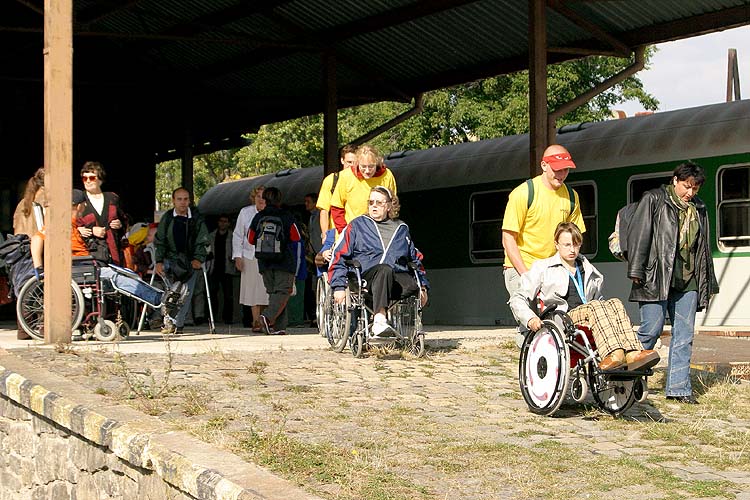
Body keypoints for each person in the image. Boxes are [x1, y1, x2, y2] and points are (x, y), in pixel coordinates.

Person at [627, 162, 719, 404]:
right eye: (687, 187)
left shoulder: (699, 208)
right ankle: (628, 379)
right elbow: (639, 235)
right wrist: (636, 270)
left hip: (688, 279)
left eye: (695, 189)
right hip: (656, 276)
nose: (690, 193)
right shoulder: (655, 199)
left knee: (684, 334)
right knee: (651, 331)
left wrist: (708, 282)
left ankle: (679, 388)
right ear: (675, 180)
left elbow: (703, 249)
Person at [510, 222, 659, 371]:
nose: (572, 250)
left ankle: (633, 353)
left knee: (615, 303)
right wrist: (530, 318)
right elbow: (518, 298)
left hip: (589, 315)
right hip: (562, 318)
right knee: (594, 306)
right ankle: (614, 353)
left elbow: (600, 302)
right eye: (567, 245)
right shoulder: (542, 268)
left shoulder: (589, 270)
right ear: (556, 244)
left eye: (576, 245)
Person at [30, 190, 179, 315]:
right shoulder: (60, 224)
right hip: (80, 268)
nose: (86, 206)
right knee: (116, 278)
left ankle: (161, 297)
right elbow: (37, 238)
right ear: (79, 205)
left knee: (127, 273)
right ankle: (159, 299)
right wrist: (38, 268)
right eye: (84, 204)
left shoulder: (73, 224)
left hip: (86, 265)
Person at [329, 186, 428, 338]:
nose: (374, 206)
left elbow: (415, 258)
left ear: (389, 205)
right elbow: (339, 255)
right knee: (384, 270)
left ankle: (410, 331)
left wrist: (424, 287)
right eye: (371, 202)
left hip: (393, 278)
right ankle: (379, 320)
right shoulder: (357, 225)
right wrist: (338, 286)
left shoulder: (401, 228)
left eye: (379, 203)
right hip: (363, 277)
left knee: (412, 285)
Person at [502, 145, 586, 298]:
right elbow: (508, 238)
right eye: (557, 170)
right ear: (544, 165)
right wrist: (526, 275)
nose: (561, 174)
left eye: (565, 170)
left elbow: (574, 237)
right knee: (530, 319)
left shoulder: (572, 196)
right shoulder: (523, 193)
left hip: (552, 270)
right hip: (522, 266)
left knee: (556, 319)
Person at [154, 187, 209, 334]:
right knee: (169, 291)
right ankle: (166, 321)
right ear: (173, 201)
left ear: (190, 201)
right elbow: (160, 241)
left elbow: (203, 240)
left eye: (185, 199)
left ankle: (177, 324)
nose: (182, 203)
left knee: (186, 292)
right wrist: (158, 261)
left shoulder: (197, 219)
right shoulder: (167, 218)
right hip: (170, 259)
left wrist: (198, 258)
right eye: (179, 199)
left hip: (190, 261)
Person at [247, 187, 301, 336]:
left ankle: (278, 327)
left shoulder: (258, 217)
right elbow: (296, 236)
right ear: (280, 199)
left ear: (264, 199)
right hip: (284, 262)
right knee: (283, 292)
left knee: (274, 293)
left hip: (264, 263)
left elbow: (250, 239)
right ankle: (266, 317)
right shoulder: (286, 216)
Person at [329, 144, 398, 233]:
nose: (367, 171)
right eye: (363, 166)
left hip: (379, 231)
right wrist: (344, 232)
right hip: (352, 232)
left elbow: (393, 204)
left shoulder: (387, 176)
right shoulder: (346, 176)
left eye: (371, 166)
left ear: (377, 163)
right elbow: (336, 207)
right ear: (357, 163)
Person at [232, 185, 269, 331]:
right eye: (258, 196)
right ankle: (256, 321)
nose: (261, 199)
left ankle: (265, 319)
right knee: (253, 291)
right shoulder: (245, 213)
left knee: (266, 290)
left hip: (268, 256)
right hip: (249, 255)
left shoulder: (272, 213)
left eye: (264, 196)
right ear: (253, 198)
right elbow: (238, 235)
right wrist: (237, 256)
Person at [76, 161, 127, 265]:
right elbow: (69, 225)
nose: (87, 181)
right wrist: (88, 230)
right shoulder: (79, 200)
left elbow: (125, 220)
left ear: (100, 180)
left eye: (92, 178)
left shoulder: (112, 198)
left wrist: (120, 224)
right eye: (85, 178)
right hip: (89, 256)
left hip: (114, 254)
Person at [316, 144, 357, 242]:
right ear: (342, 160)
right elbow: (324, 210)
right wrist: (325, 235)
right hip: (337, 236)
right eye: (349, 162)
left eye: (355, 163)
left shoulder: (362, 181)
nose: (351, 166)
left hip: (358, 235)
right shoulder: (332, 180)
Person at [208, 214, 237, 324]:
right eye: (221, 221)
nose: (223, 223)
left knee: (228, 295)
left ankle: (228, 318)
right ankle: (212, 317)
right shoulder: (211, 236)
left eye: (225, 221)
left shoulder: (233, 237)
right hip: (214, 268)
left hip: (227, 268)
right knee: (212, 294)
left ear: (229, 223)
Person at [13, 167, 46, 238]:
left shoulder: (22, 203)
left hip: (22, 245)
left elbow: (15, 226)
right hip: (36, 245)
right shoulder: (45, 201)